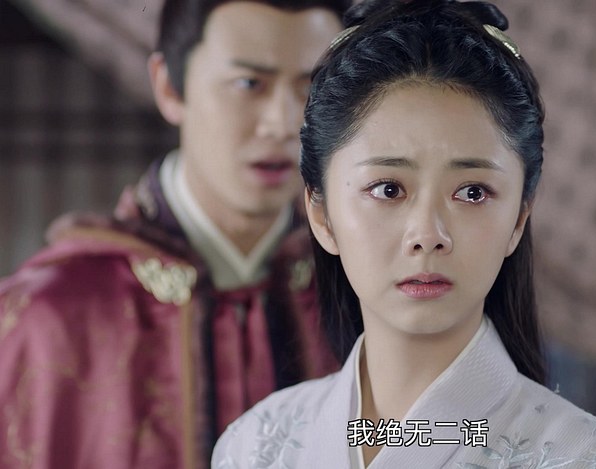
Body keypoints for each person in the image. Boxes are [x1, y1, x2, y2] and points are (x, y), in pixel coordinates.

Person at [212, 0, 596, 467]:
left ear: (519, 219)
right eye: (388, 189)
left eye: (473, 193)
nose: (427, 234)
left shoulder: (586, 458)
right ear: (321, 214)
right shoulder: (255, 447)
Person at [0, 1, 347, 467]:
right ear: (168, 86)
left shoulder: (354, 297)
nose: (284, 123)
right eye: (249, 84)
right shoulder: (43, 317)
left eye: (311, 87)